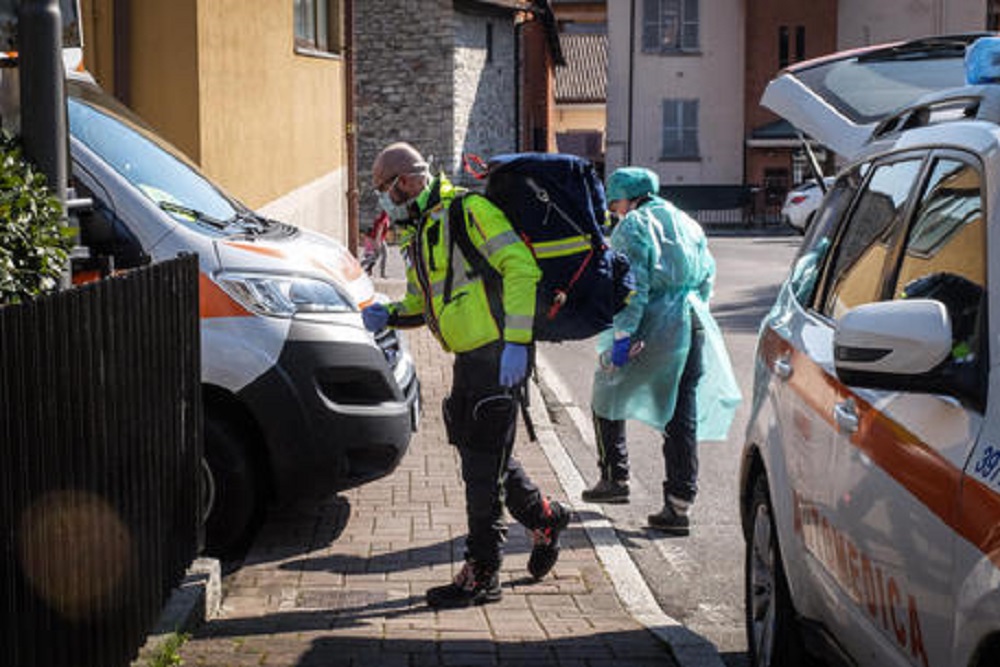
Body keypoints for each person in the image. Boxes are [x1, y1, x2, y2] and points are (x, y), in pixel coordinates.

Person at [361, 142, 570, 608]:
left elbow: (520, 268)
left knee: (481, 472)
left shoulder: (468, 211)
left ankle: (483, 573)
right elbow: (423, 303)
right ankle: (545, 518)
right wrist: (388, 314)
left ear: (406, 180)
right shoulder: (420, 230)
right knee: (483, 456)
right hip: (468, 360)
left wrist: (516, 342)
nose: (386, 201)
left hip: (498, 356)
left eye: (386, 190)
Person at [581, 167, 741, 536]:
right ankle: (679, 504)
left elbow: (632, 287)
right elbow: (707, 277)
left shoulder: (633, 226)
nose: (615, 210)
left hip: (654, 326)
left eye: (616, 202)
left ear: (628, 197)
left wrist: (624, 337)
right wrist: (692, 309)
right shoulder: (687, 221)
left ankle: (614, 477)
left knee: (606, 390)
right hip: (692, 320)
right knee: (681, 414)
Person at [362, 211, 390, 278]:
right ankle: (382, 273)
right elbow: (379, 231)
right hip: (379, 240)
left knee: (376, 256)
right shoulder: (383, 219)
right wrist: (377, 242)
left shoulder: (382, 218)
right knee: (383, 255)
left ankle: (362, 264)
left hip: (379, 239)